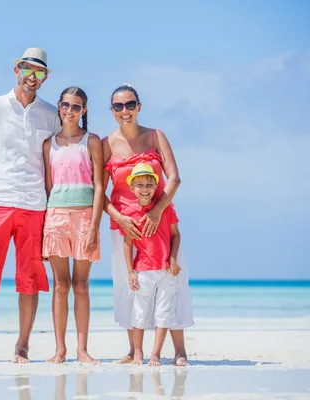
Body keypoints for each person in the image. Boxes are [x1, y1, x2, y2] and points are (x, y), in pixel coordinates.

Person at [0, 48, 61, 363]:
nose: (32, 77)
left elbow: (58, 160)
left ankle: (22, 346)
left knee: (30, 278)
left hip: (35, 205)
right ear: (16, 69)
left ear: (46, 78)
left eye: (39, 72)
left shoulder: (50, 114)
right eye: (27, 70)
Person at [102, 84, 194, 366]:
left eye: (130, 105)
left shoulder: (155, 136)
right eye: (118, 106)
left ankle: (179, 351)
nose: (125, 111)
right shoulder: (106, 144)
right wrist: (118, 218)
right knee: (130, 286)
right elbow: (97, 191)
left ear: (139, 107)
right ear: (112, 111)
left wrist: (155, 212)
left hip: (161, 222)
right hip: (125, 229)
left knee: (173, 280)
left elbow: (174, 178)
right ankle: (135, 351)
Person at [42, 87, 103, 364]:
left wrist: (93, 227)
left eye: (76, 107)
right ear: (58, 106)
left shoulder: (92, 141)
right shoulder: (48, 145)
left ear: (84, 110)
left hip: (84, 218)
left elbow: (100, 186)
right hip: (55, 217)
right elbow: (48, 187)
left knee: (81, 285)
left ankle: (82, 350)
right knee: (60, 285)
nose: (69, 110)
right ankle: (60, 350)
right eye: (66, 105)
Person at [122, 163, 181, 366]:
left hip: (166, 271)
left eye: (149, 184)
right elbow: (127, 244)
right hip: (143, 270)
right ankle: (138, 353)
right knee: (139, 312)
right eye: (139, 184)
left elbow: (175, 235)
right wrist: (130, 271)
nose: (144, 188)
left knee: (163, 314)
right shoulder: (129, 213)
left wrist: (173, 259)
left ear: (156, 186)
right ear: (132, 188)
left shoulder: (165, 208)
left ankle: (155, 354)